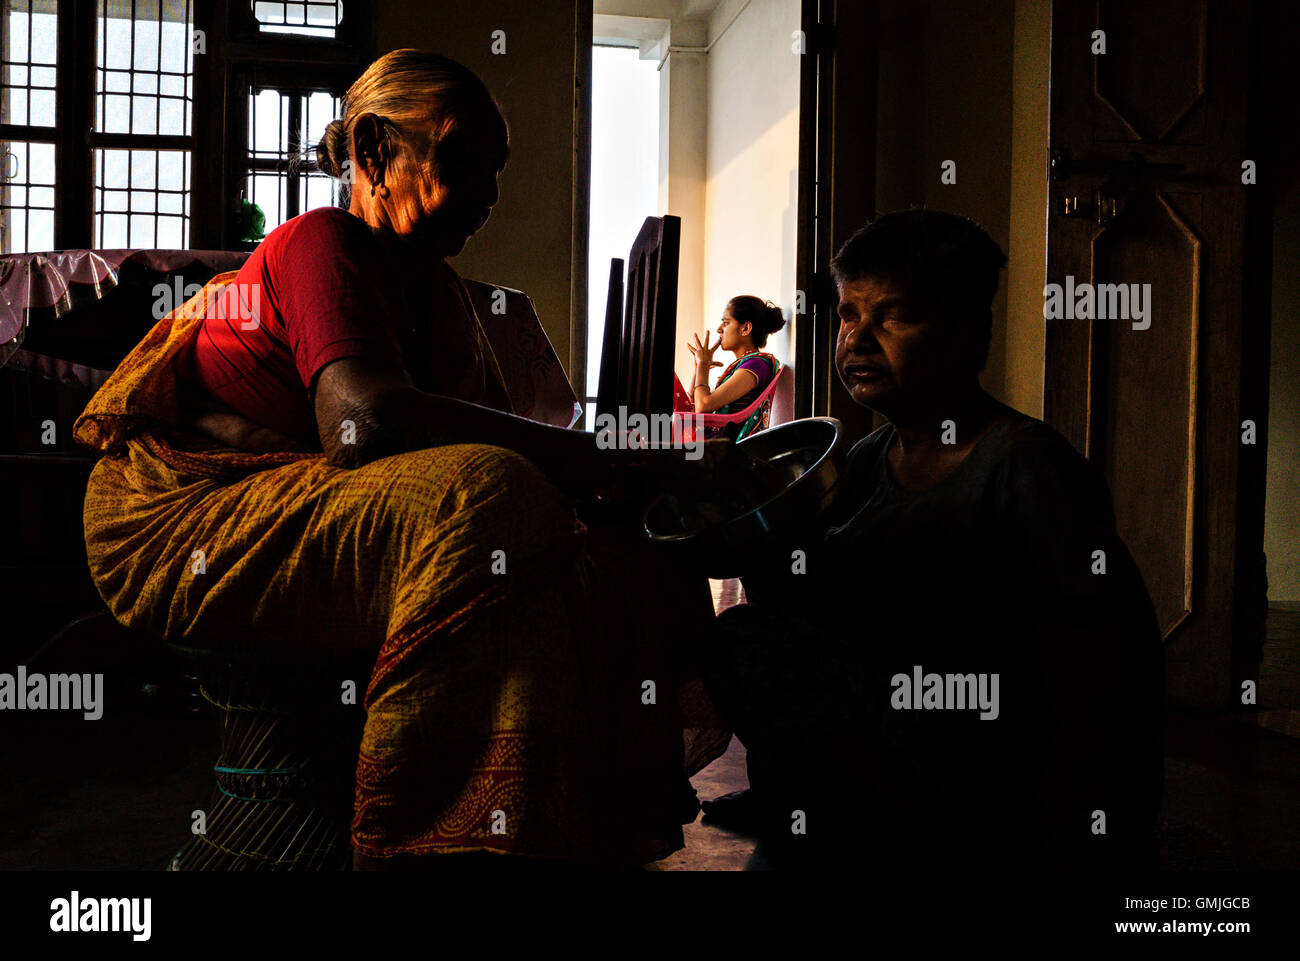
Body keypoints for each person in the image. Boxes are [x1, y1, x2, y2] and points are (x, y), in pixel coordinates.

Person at [74, 49, 741, 869]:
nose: (489, 194)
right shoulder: (320, 240)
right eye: (462, 159)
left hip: (294, 502)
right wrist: (600, 452)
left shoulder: (440, 293)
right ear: (374, 152)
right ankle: (435, 842)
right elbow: (367, 426)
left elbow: (478, 438)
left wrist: (634, 473)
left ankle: (559, 830)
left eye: (496, 171)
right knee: (488, 494)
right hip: (179, 527)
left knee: (613, 548)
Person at [697, 209, 1164, 871]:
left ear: (969, 334)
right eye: (848, 314)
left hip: (986, 777)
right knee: (738, 636)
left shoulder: (1026, 469)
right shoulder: (866, 458)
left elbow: (1091, 677)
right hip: (882, 746)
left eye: (894, 316)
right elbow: (808, 609)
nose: (858, 340)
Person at [686, 296, 784, 440]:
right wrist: (699, 369)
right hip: (711, 445)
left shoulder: (757, 364)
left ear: (745, 328)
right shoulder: (747, 364)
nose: (719, 330)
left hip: (724, 450)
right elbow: (692, 407)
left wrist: (703, 366)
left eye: (726, 323)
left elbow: (703, 405)